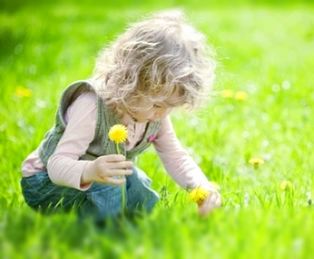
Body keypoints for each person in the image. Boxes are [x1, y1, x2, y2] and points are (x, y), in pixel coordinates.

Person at [21, 10, 221, 224]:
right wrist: (91, 170)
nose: (161, 114)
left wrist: (201, 186)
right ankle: (105, 230)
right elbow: (57, 165)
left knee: (138, 185)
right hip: (46, 184)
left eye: (170, 107)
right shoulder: (90, 105)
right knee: (111, 186)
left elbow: (175, 156)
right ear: (130, 82)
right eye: (157, 104)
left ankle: (136, 223)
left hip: (102, 179)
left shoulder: (156, 114)